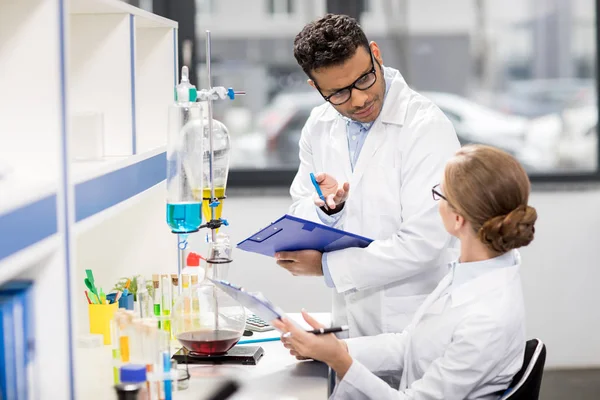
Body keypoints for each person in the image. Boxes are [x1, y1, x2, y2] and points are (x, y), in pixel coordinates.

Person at [273, 145, 537, 399]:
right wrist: (337, 348)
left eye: (439, 194)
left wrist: (338, 359)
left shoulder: (487, 319)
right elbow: (410, 345)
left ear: (458, 220)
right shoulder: (477, 269)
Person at [274, 13, 460, 337]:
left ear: (376, 54)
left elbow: (424, 241)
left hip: (417, 323)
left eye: (364, 79)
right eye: (339, 93)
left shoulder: (426, 127)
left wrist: (325, 267)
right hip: (349, 320)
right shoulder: (318, 126)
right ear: (315, 87)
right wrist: (327, 208)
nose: (359, 99)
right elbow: (300, 209)